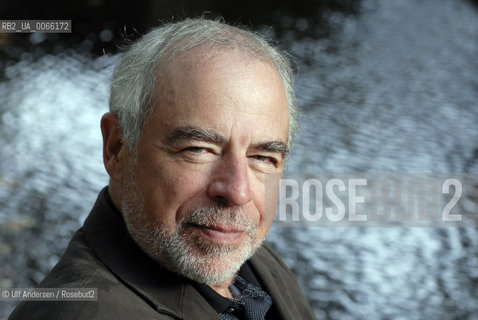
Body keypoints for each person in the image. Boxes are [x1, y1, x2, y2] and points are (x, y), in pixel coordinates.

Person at [9, 18, 317, 320]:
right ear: (117, 148)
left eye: (263, 158)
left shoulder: (248, 260)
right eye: (198, 150)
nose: (238, 192)